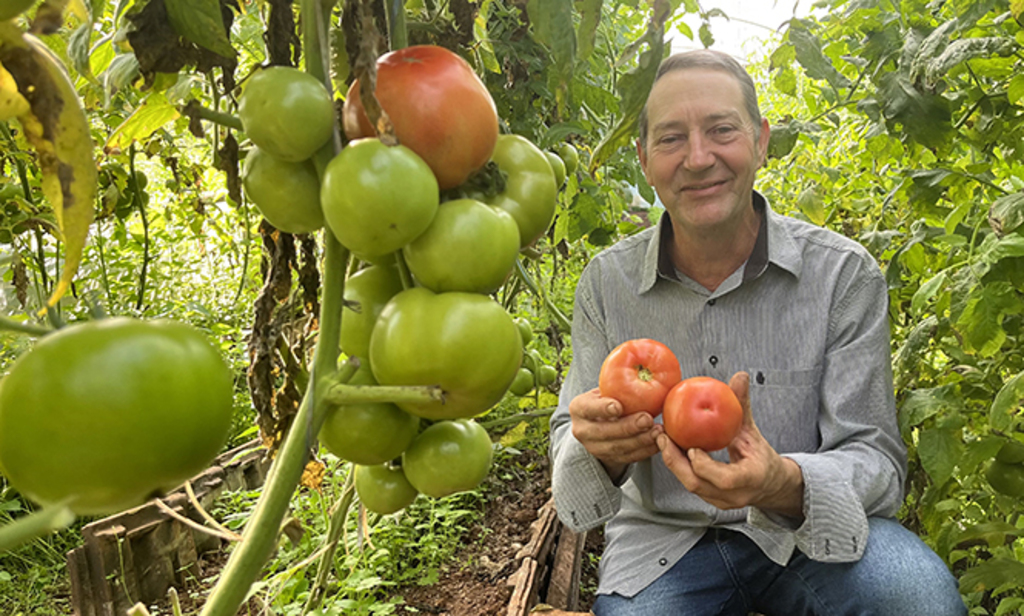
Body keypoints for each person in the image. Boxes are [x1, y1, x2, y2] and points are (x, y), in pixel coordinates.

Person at [548, 49, 966, 616]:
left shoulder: (841, 275)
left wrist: (783, 482)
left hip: (806, 532)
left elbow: (875, 455)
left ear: (761, 140)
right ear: (644, 160)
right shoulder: (607, 285)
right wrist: (601, 450)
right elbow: (569, 439)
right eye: (671, 139)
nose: (698, 158)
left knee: (920, 603)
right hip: (664, 545)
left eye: (722, 130)